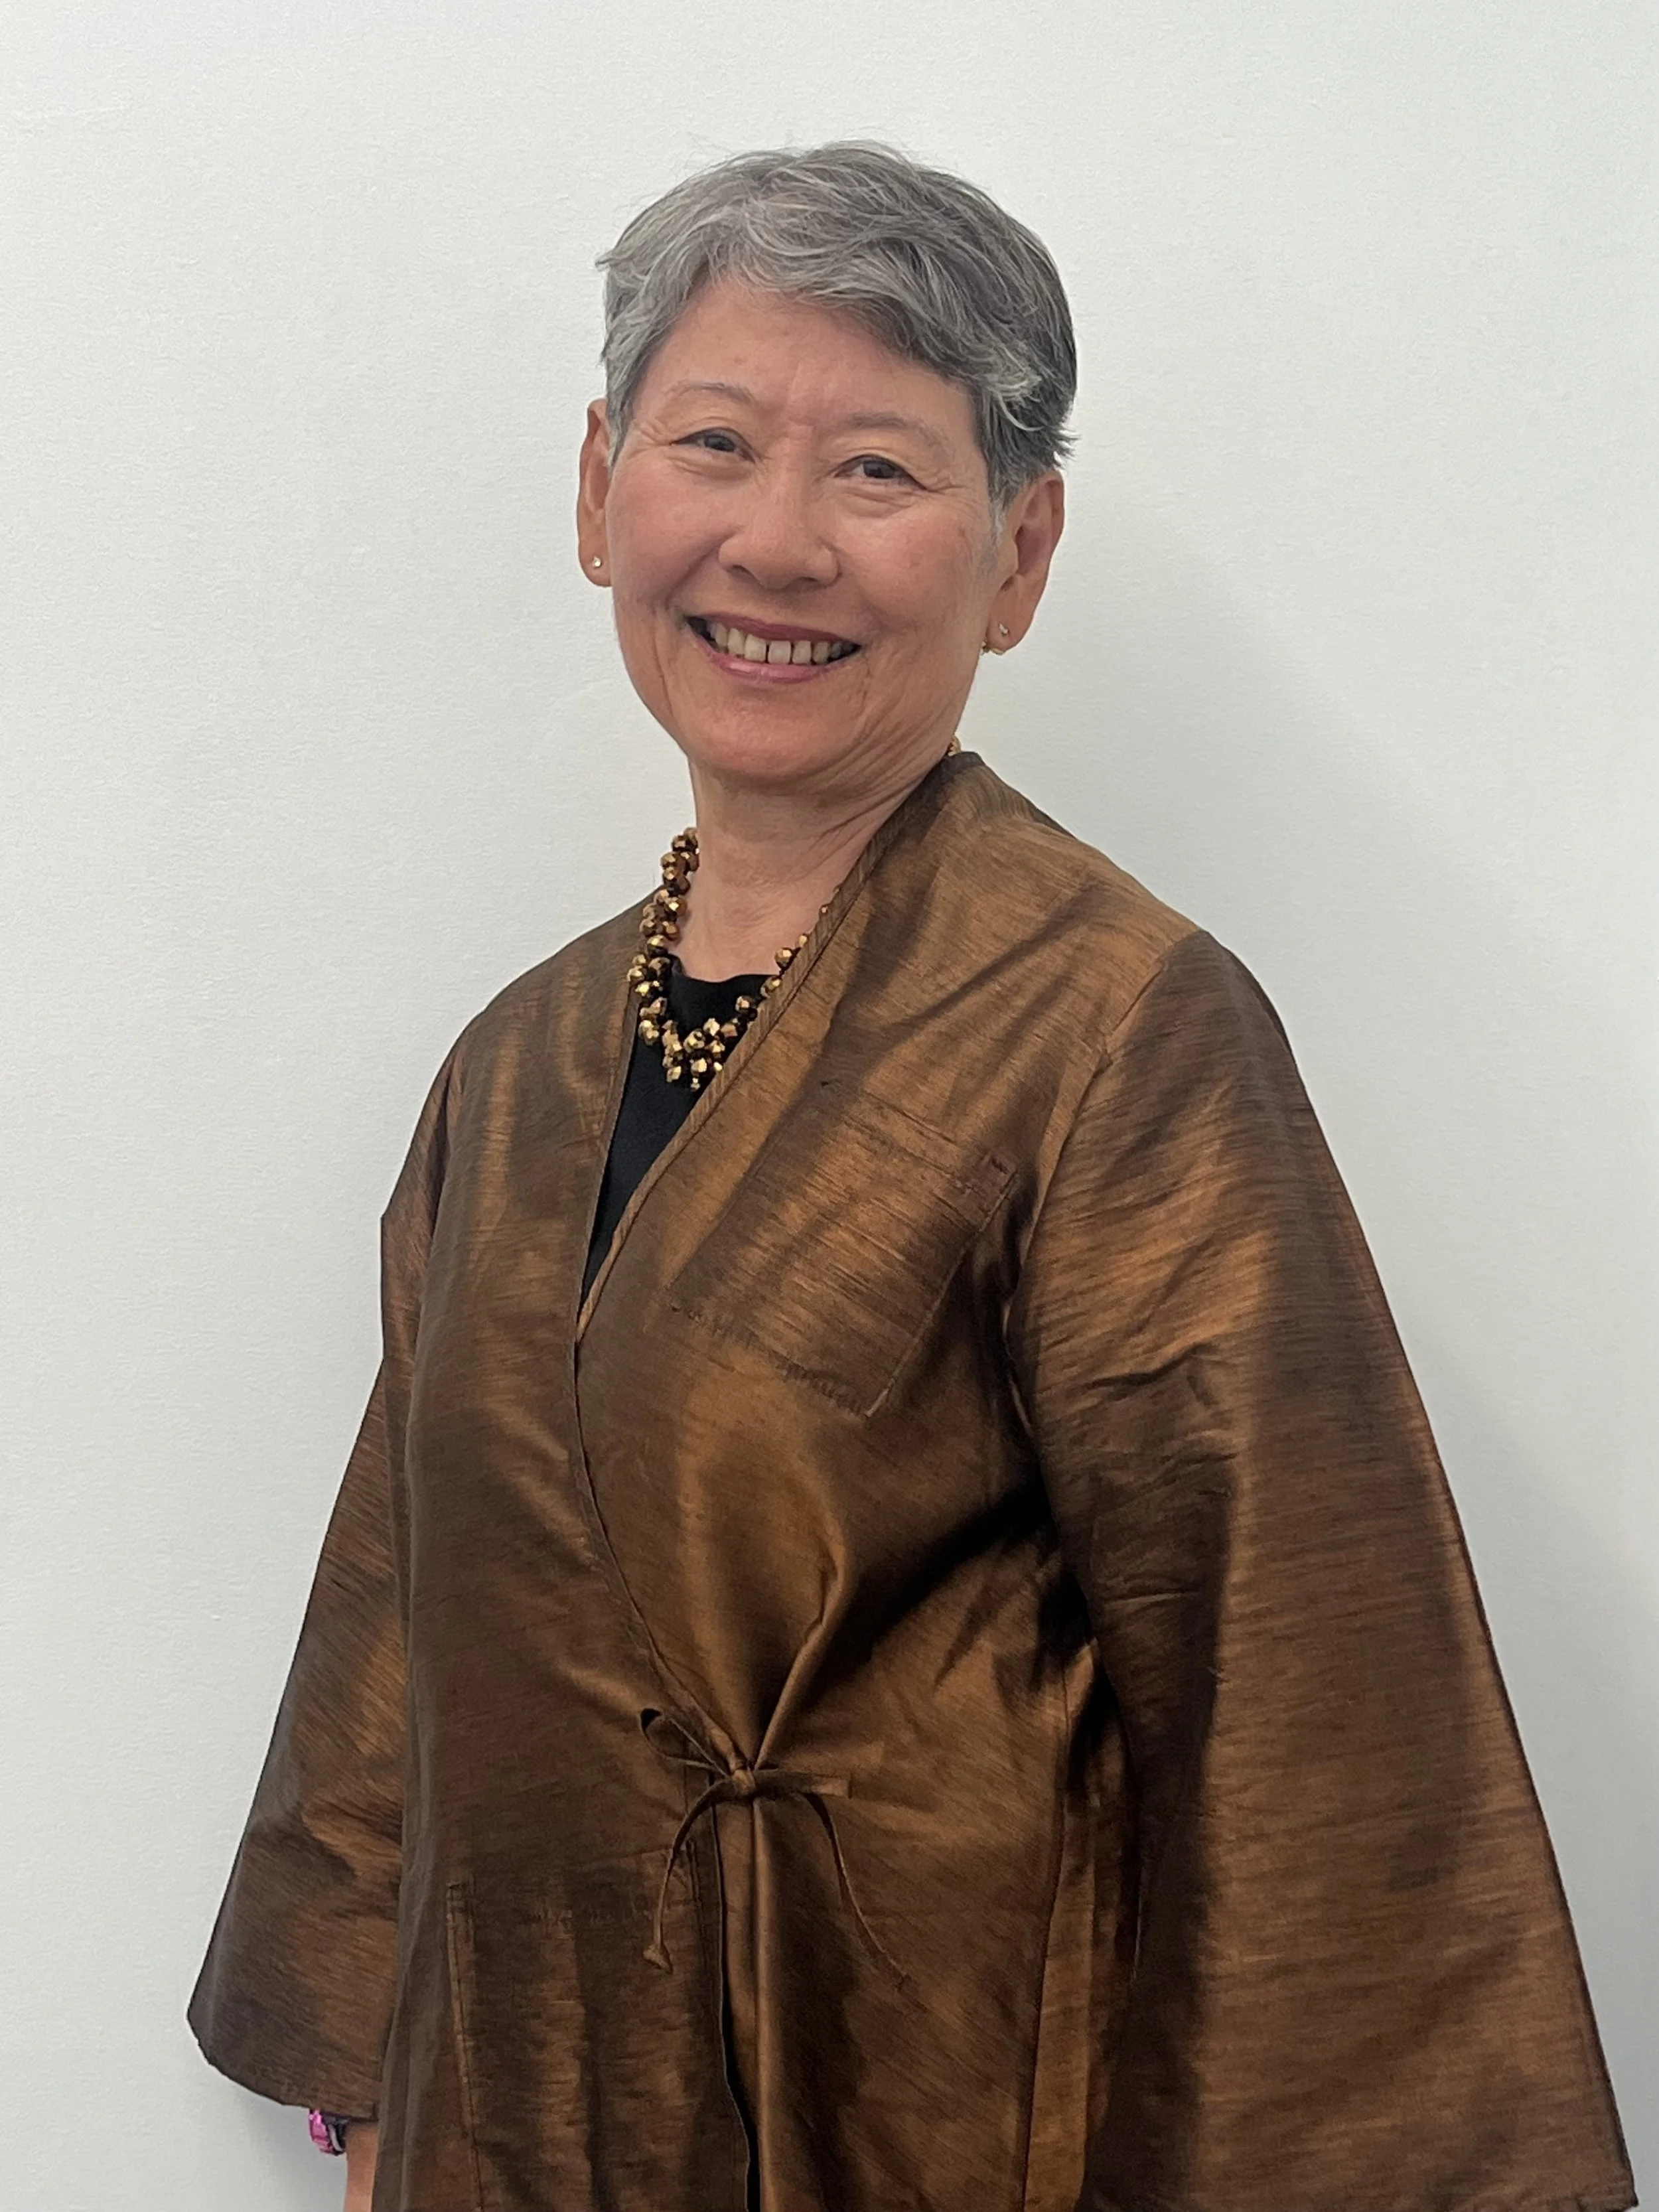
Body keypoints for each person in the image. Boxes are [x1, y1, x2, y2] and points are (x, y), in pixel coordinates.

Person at [189, 143, 1633, 2212]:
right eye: (712, 443)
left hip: (939, 2114)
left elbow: (1309, 1696)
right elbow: (412, 1624)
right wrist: (370, 2081)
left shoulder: (1116, 1026)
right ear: (601, 493)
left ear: (1017, 553)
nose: (775, 543)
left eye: (876, 471)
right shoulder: (513, 1067)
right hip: (522, 2115)